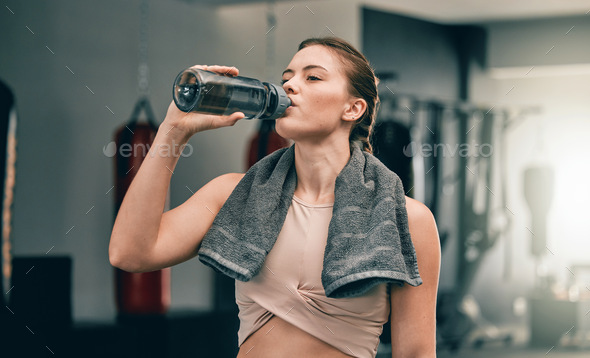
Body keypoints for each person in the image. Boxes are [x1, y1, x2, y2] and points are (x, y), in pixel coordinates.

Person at [109, 37, 440, 358]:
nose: (290, 86)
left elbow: (416, 353)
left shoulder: (407, 220)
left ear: (353, 108)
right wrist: (173, 131)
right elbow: (130, 253)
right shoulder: (235, 194)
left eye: (312, 77)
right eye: (287, 78)